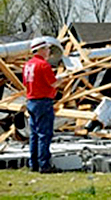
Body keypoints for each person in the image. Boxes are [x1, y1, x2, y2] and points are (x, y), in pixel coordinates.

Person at [23, 37, 62, 173]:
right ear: (40, 50)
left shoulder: (28, 65)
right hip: (43, 102)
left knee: (34, 134)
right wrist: (63, 78)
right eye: (46, 48)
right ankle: (44, 165)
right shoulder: (43, 65)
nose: (49, 51)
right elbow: (53, 83)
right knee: (44, 134)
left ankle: (33, 164)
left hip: (31, 101)